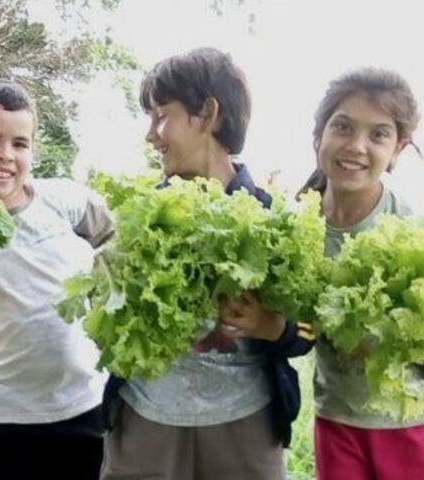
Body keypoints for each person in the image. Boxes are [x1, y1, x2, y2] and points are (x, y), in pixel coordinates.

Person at [101, 47, 314, 480]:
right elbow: (108, 317)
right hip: (146, 421)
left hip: (245, 423)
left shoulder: (269, 216)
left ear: (208, 114)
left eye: (162, 115)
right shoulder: (140, 217)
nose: (151, 135)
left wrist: (270, 325)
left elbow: (309, 328)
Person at [0, 78, 114, 480]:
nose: (5, 155)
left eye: (20, 144)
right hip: (2, 418)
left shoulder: (62, 199)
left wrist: (107, 287)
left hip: (86, 406)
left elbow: (112, 233)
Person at [302, 67, 424, 480]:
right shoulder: (299, 225)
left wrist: (399, 342)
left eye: (379, 134)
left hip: (410, 422)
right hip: (337, 416)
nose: (357, 146)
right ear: (319, 135)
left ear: (398, 149)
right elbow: (295, 321)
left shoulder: (410, 228)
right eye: (343, 127)